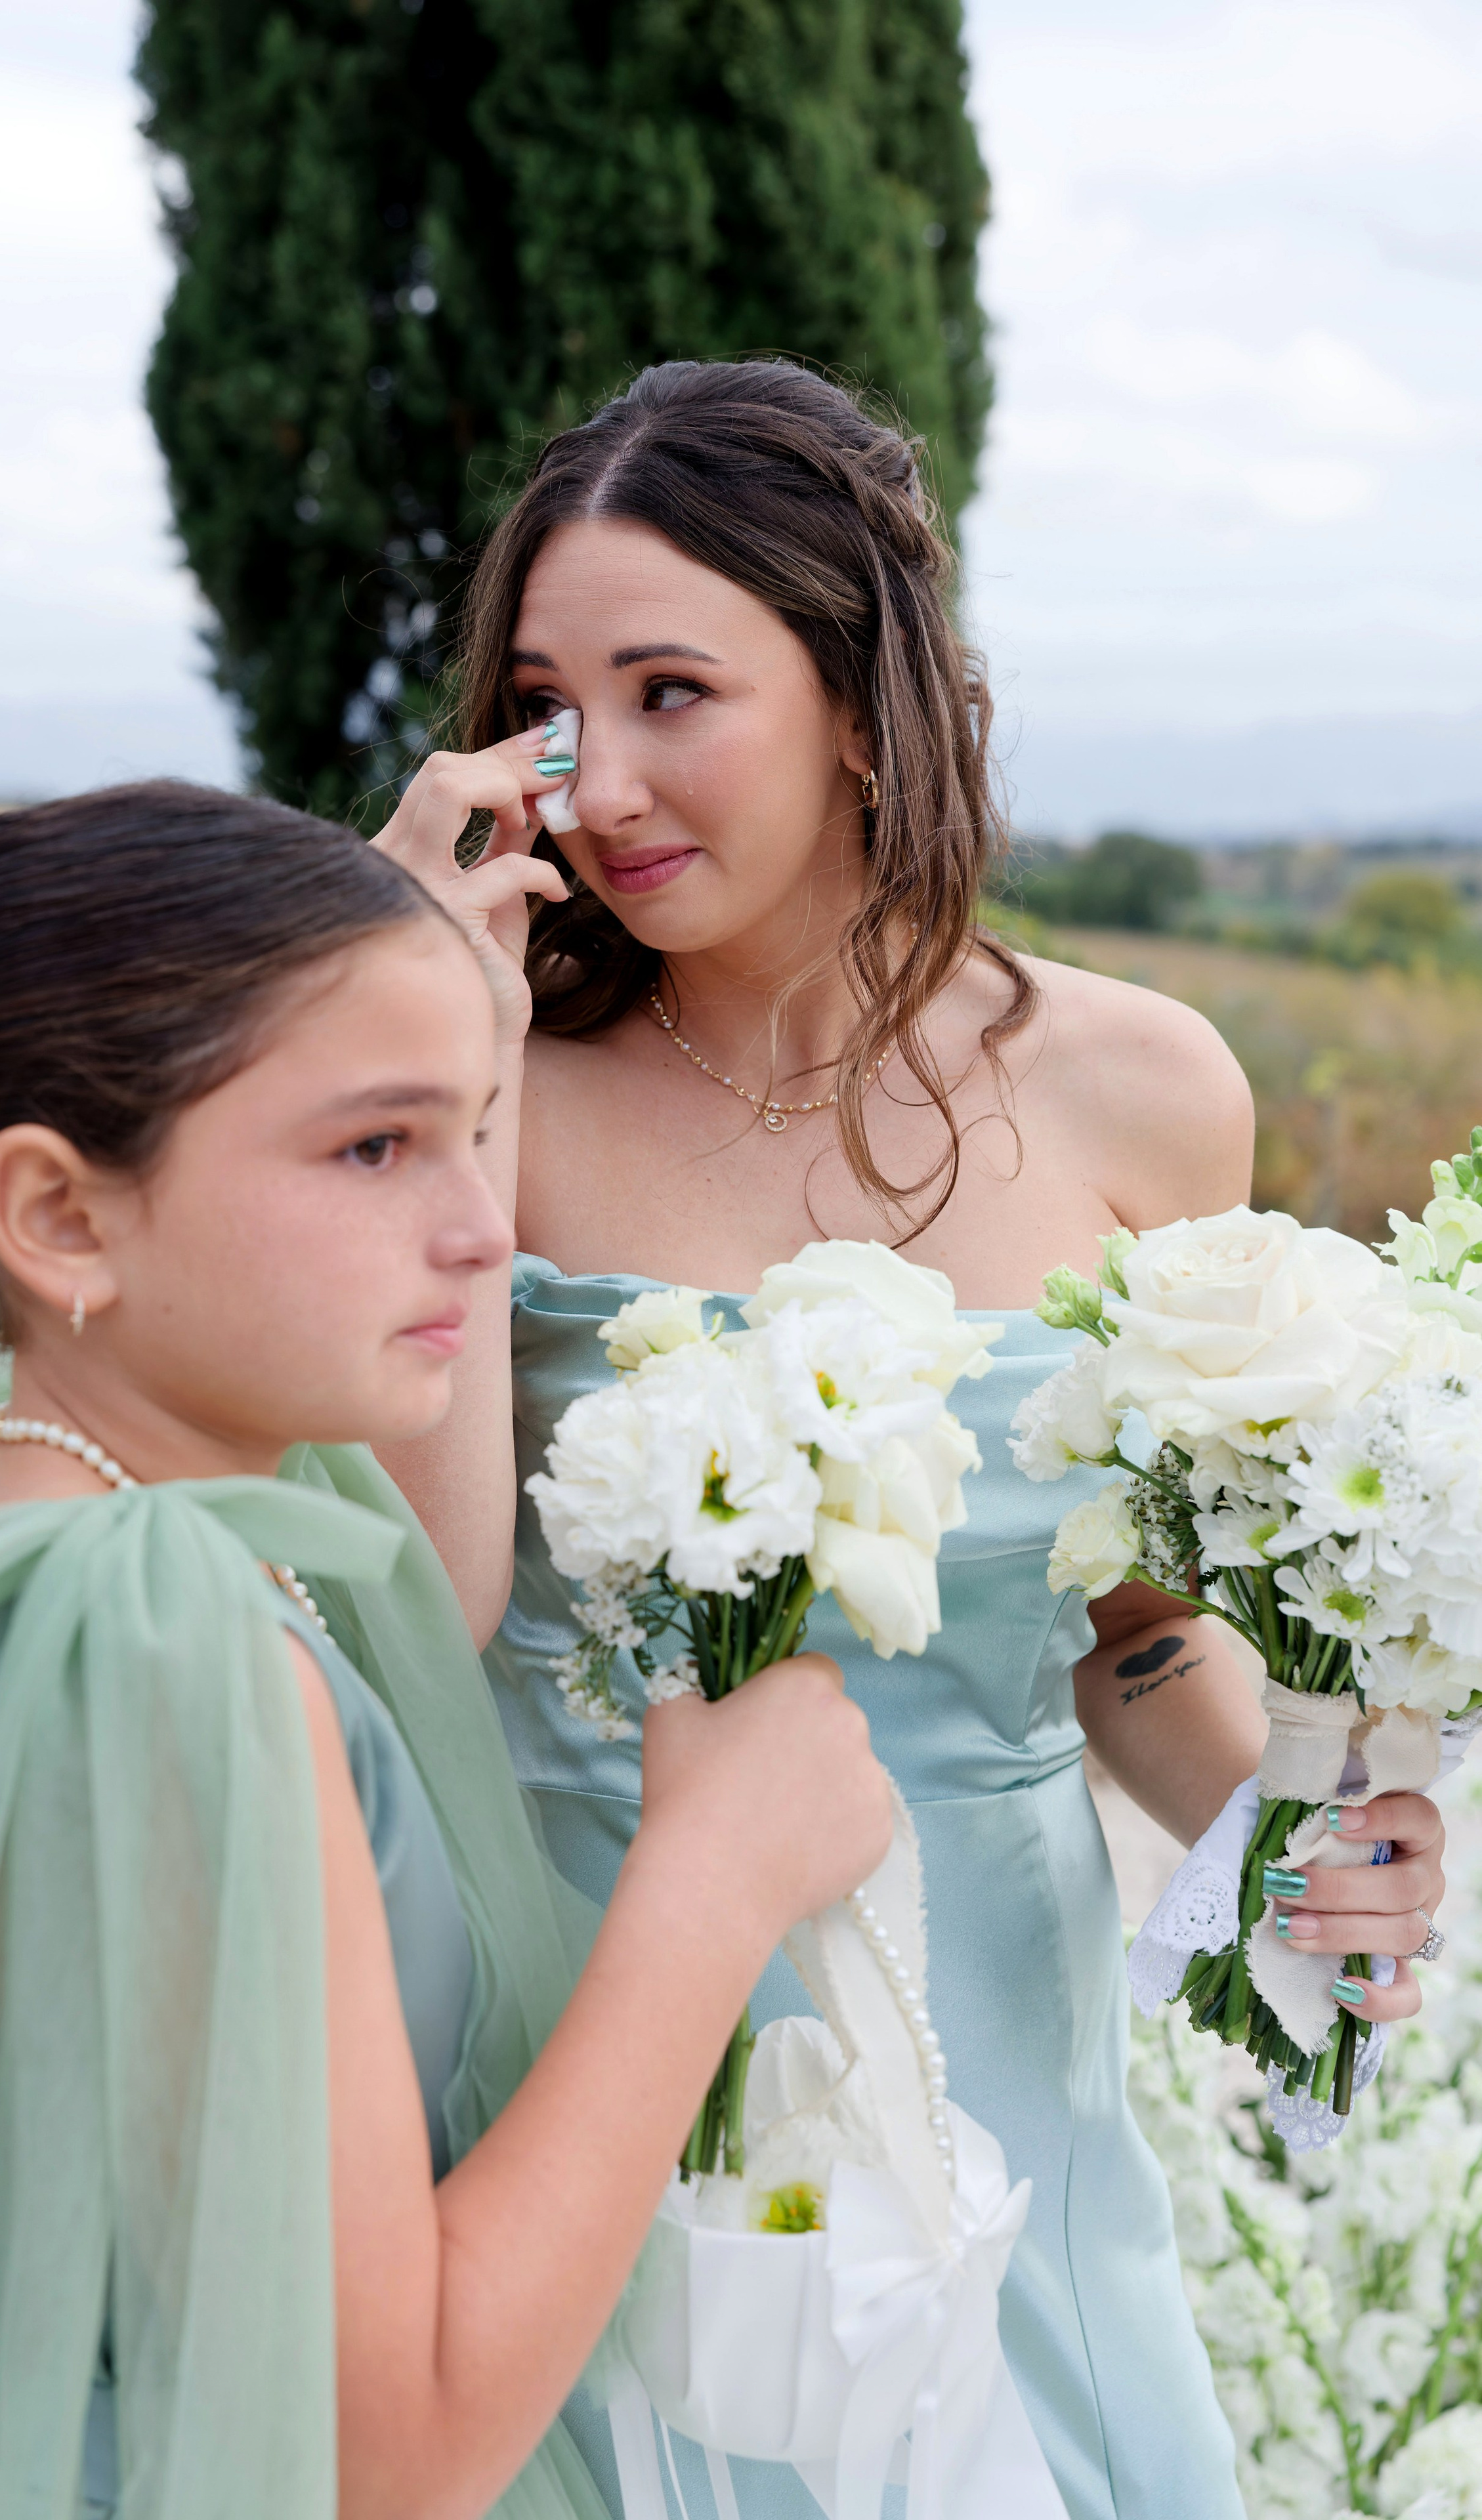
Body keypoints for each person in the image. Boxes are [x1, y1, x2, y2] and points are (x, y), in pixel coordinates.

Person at [371, 359, 1450, 2520]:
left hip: (989, 2061)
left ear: (868, 703)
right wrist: (408, 1020)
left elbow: (1130, 1625)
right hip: (572, 2038)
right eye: (550, 705)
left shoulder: (1143, 1090)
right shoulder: (472, 1076)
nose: (600, 780)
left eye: (677, 689)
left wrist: (1291, 1836)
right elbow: (416, 1609)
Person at [0, 782, 892, 2519]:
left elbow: (425, 1593)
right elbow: (385, 2454)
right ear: (62, 1219)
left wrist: (429, 997)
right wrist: (714, 1880)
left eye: (475, 1132)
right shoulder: (156, 1635)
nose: (479, 1227)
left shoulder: (54, 1520)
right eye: (374, 1148)